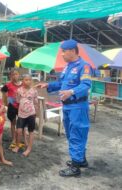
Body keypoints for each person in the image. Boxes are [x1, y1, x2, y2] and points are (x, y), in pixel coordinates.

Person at [37, 39, 92, 177]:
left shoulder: (83, 66)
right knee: (71, 134)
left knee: (76, 134)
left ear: (73, 51)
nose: (62, 54)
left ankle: (75, 167)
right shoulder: (67, 67)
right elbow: (61, 83)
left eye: (64, 51)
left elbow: (86, 85)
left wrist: (71, 92)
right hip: (67, 106)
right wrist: (48, 85)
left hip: (77, 106)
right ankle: (80, 160)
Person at [12, 75, 38, 157]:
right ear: (22, 81)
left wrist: (35, 112)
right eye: (26, 80)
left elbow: (35, 102)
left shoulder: (34, 91)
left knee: (31, 131)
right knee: (18, 131)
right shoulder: (19, 90)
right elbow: (17, 100)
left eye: (30, 80)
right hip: (21, 114)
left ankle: (29, 148)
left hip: (31, 113)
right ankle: (17, 145)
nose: (28, 81)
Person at [1, 69, 23, 149]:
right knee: (13, 123)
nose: (15, 76)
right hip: (12, 107)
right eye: (13, 74)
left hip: (21, 107)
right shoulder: (8, 85)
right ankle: (13, 139)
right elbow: (3, 92)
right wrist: (5, 103)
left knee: (21, 123)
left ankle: (20, 139)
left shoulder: (22, 84)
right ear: (10, 76)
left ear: (19, 75)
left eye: (16, 74)